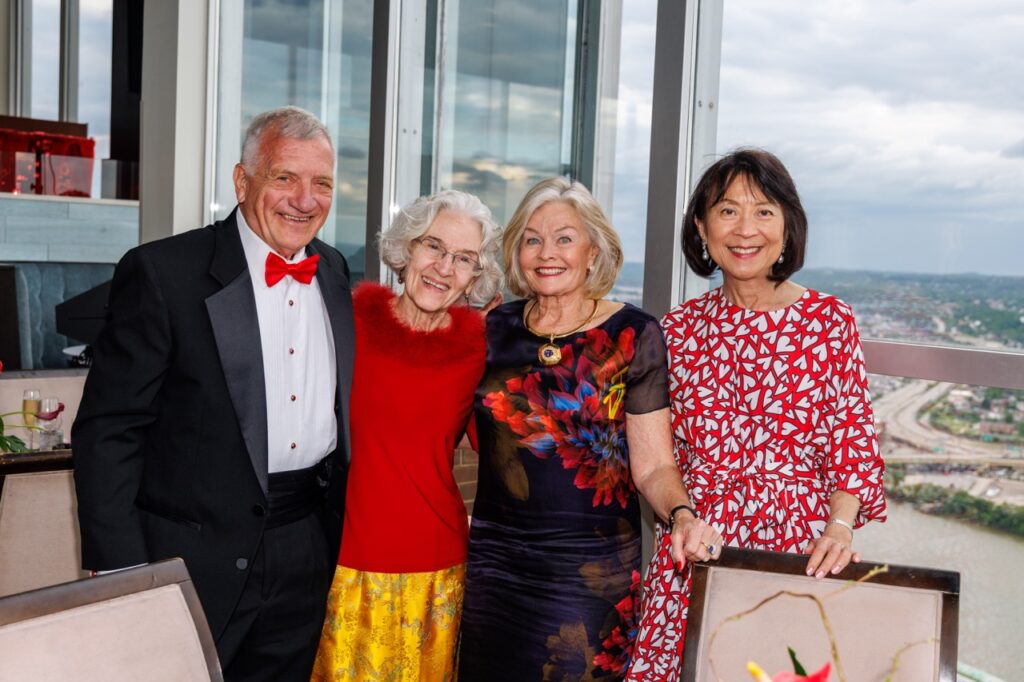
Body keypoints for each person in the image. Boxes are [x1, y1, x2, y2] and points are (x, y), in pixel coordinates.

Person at [73, 106, 353, 681]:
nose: (305, 200)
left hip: (305, 543)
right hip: (189, 554)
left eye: (322, 183)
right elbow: (109, 429)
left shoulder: (334, 270)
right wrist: (122, 570)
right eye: (284, 177)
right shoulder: (163, 272)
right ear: (242, 181)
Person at [628, 149, 887, 678]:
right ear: (702, 228)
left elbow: (853, 448)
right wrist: (682, 517)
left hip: (797, 554)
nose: (745, 229)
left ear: (788, 226)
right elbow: (658, 461)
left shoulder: (829, 322)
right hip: (696, 552)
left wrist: (839, 528)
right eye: (727, 211)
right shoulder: (675, 331)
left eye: (764, 211)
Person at [458, 177, 720, 681]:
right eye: (532, 239)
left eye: (564, 238)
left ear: (593, 251)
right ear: (516, 252)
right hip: (495, 567)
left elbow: (654, 465)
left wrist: (682, 515)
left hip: (589, 574)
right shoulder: (492, 329)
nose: (546, 253)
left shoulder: (633, 334)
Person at [310, 190, 502, 680]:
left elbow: (510, 450)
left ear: (475, 277)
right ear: (406, 248)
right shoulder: (343, 323)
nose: (444, 268)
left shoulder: (481, 351)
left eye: (464, 258)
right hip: (340, 562)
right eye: (433, 246)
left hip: (436, 569)